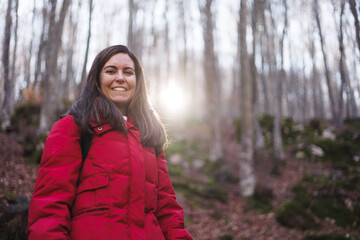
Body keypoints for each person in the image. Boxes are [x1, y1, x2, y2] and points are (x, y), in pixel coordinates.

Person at [26, 45, 193, 240]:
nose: (120, 78)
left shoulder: (149, 137)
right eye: (111, 71)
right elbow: (49, 210)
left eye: (128, 72)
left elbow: (168, 211)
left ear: (137, 82)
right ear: (97, 79)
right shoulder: (73, 127)